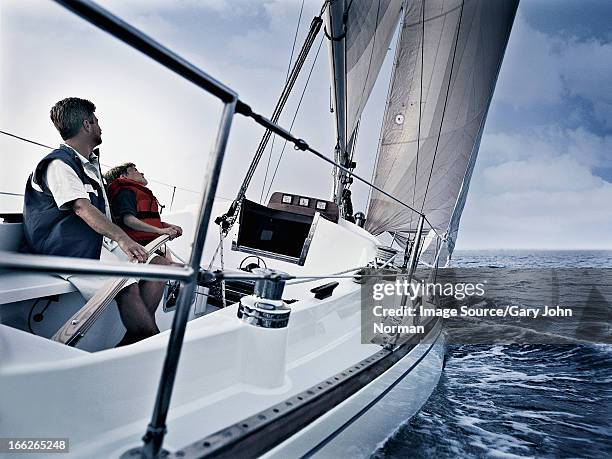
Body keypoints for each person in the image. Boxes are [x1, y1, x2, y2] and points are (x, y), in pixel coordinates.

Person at [22, 97, 169, 346]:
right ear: (87, 124)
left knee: (161, 266)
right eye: (97, 121)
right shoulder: (59, 163)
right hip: (65, 248)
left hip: (92, 243)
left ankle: (136, 335)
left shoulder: (88, 166)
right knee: (127, 284)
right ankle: (147, 340)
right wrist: (123, 239)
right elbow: (81, 208)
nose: (101, 126)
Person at [104, 163, 183, 255]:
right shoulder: (125, 193)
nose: (142, 173)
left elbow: (146, 220)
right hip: (135, 247)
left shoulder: (134, 192)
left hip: (148, 245)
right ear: (123, 177)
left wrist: (167, 226)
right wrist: (160, 231)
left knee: (171, 262)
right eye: (135, 170)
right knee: (174, 267)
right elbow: (128, 220)